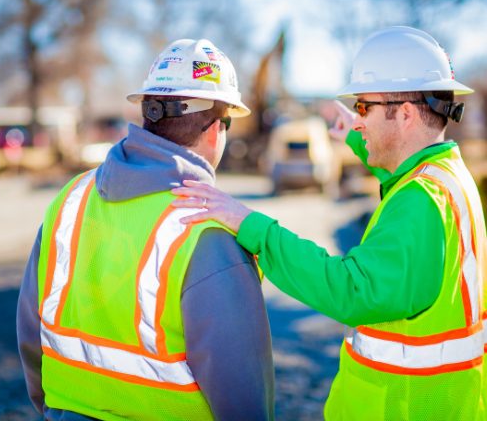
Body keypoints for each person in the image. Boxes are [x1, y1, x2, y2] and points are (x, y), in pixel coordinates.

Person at [171, 26, 487, 420]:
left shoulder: (421, 201)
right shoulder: (446, 177)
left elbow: (352, 291)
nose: (358, 121)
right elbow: (401, 180)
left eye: (363, 108)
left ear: (405, 113)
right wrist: (356, 137)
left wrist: (252, 227)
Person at [17, 38, 275, 421]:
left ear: (148, 113)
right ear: (214, 130)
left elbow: (30, 335)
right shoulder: (209, 234)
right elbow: (244, 398)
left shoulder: (70, 199)